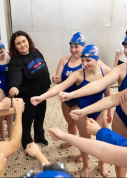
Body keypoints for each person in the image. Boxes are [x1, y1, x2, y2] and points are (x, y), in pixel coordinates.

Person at [59, 29, 127, 177]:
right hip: (126, 120)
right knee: (123, 158)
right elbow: (111, 96)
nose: (126, 51)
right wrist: (80, 107)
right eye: (125, 46)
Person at [31, 44, 112, 177]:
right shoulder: (78, 74)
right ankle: (86, 166)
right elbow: (60, 87)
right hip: (82, 113)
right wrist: (42, 97)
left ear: (96, 59)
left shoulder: (105, 72)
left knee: (101, 140)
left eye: (88, 60)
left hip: (99, 112)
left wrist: (109, 111)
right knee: (84, 142)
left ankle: (101, 165)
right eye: (83, 60)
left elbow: (108, 91)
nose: (84, 64)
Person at [8, 30, 51, 150]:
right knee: (26, 123)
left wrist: (48, 84)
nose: (22, 45)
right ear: (14, 46)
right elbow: (15, 74)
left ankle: (39, 136)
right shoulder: (15, 61)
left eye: (24, 41)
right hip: (27, 97)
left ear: (28, 41)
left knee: (40, 118)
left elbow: (44, 67)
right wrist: (14, 86)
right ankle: (27, 145)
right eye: (18, 43)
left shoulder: (35, 52)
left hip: (41, 94)